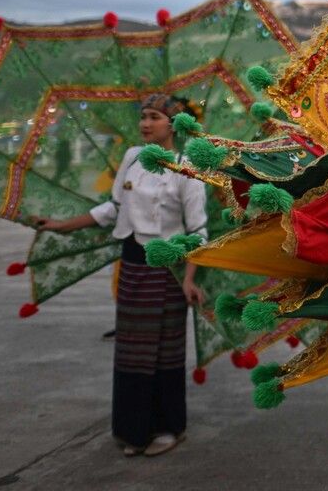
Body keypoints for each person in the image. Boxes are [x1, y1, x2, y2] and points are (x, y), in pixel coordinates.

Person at [37, 94, 207, 457]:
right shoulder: (132, 157)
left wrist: (190, 280)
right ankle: (135, 432)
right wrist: (63, 226)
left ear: (173, 124)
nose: (145, 123)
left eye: (155, 117)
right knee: (132, 353)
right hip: (132, 264)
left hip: (167, 272)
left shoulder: (188, 169)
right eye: (143, 116)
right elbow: (114, 208)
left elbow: (198, 232)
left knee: (163, 353)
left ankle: (169, 428)